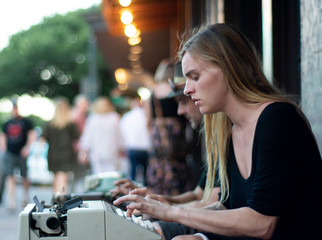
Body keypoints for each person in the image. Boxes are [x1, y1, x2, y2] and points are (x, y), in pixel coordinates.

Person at [114, 23, 322, 239]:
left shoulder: (276, 119)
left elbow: (261, 223)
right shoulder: (232, 131)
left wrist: (172, 212)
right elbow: (225, 208)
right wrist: (170, 210)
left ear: (228, 68)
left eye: (194, 77)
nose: (186, 89)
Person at [42, 97, 80, 194]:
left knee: (56, 178)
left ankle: (57, 196)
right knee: (62, 178)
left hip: (53, 154)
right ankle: (61, 198)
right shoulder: (70, 124)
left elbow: (43, 139)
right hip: (67, 154)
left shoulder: (49, 124)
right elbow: (77, 138)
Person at [78, 96, 125, 174]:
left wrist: (84, 151)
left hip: (96, 153)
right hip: (111, 152)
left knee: (98, 175)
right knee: (111, 175)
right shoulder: (114, 117)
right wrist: (122, 147)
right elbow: (119, 135)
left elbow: (87, 137)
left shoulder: (93, 118)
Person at [2, 101, 34, 210]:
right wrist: (4, 149)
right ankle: (12, 201)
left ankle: (25, 196)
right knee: (10, 176)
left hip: (22, 153)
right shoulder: (7, 123)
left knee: (24, 176)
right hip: (10, 153)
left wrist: (28, 147)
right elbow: (4, 136)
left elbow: (31, 135)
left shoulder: (26, 122)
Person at [120, 96, 151, 184]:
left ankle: (132, 190)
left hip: (132, 147)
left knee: (133, 171)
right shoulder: (145, 115)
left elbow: (122, 132)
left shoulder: (127, 117)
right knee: (146, 173)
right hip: (145, 147)